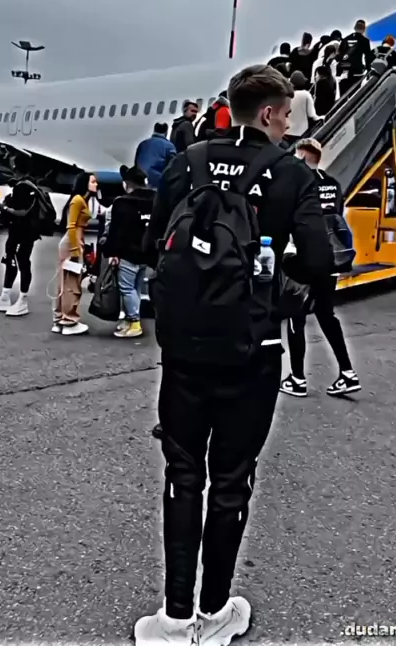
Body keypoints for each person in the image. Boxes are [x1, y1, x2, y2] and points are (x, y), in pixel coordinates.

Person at [135, 64, 333, 646]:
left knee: (182, 474)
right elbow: (321, 261)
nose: (289, 125)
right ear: (269, 113)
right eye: (288, 115)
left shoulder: (187, 161)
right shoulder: (292, 173)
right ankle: (216, 611)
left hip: (185, 348)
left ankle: (174, 619)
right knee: (231, 480)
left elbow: (150, 244)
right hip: (253, 347)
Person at [280, 138, 359, 398]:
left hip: (303, 258)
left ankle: (297, 378)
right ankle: (347, 372)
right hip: (330, 259)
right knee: (326, 315)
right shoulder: (333, 184)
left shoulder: (298, 182)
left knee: (296, 316)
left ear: (302, 156)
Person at [0, 154, 50, 317]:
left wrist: (5, 208)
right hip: (22, 232)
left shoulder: (23, 187)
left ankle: (22, 301)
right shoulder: (30, 184)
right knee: (11, 261)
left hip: (22, 233)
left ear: (16, 168)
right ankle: (5, 297)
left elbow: (22, 212)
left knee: (21, 263)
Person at [101, 164, 154, 338]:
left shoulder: (123, 202)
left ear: (127, 183)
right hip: (146, 252)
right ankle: (130, 321)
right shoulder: (155, 200)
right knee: (136, 287)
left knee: (126, 288)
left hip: (127, 253)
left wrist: (112, 253)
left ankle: (135, 322)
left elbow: (117, 231)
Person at [53, 172, 98, 335]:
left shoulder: (81, 199)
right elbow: (71, 226)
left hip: (73, 241)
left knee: (64, 282)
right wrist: (75, 250)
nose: (96, 184)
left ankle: (59, 318)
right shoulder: (78, 200)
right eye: (93, 182)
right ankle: (69, 320)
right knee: (71, 283)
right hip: (72, 242)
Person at [337, 19, 374, 96]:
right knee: (354, 95)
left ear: (354, 28)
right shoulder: (364, 41)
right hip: (356, 71)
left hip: (344, 71)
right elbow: (368, 57)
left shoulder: (345, 39)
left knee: (343, 95)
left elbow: (339, 55)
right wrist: (368, 70)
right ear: (363, 29)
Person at [135, 123, 176, 189]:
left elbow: (136, 162)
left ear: (154, 130)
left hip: (140, 180)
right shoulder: (169, 146)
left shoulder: (143, 144)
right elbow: (173, 165)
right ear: (166, 132)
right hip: (157, 182)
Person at [286, 71, 322, 139]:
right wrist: (321, 118)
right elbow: (312, 115)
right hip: (302, 132)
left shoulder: (286, 96)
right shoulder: (306, 94)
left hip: (288, 132)